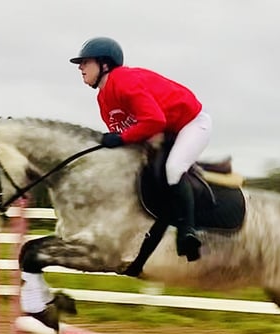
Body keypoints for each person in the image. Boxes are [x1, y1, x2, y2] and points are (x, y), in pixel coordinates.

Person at [70, 37, 211, 262]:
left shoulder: (124, 80)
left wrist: (121, 138)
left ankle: (188, 234)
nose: (80, 67)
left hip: (192, 124)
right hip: (165, 131)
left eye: (85, 62)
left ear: (104, 64)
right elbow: (130, 136)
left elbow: (154, 120)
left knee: (173, 169)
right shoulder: (103, 99)